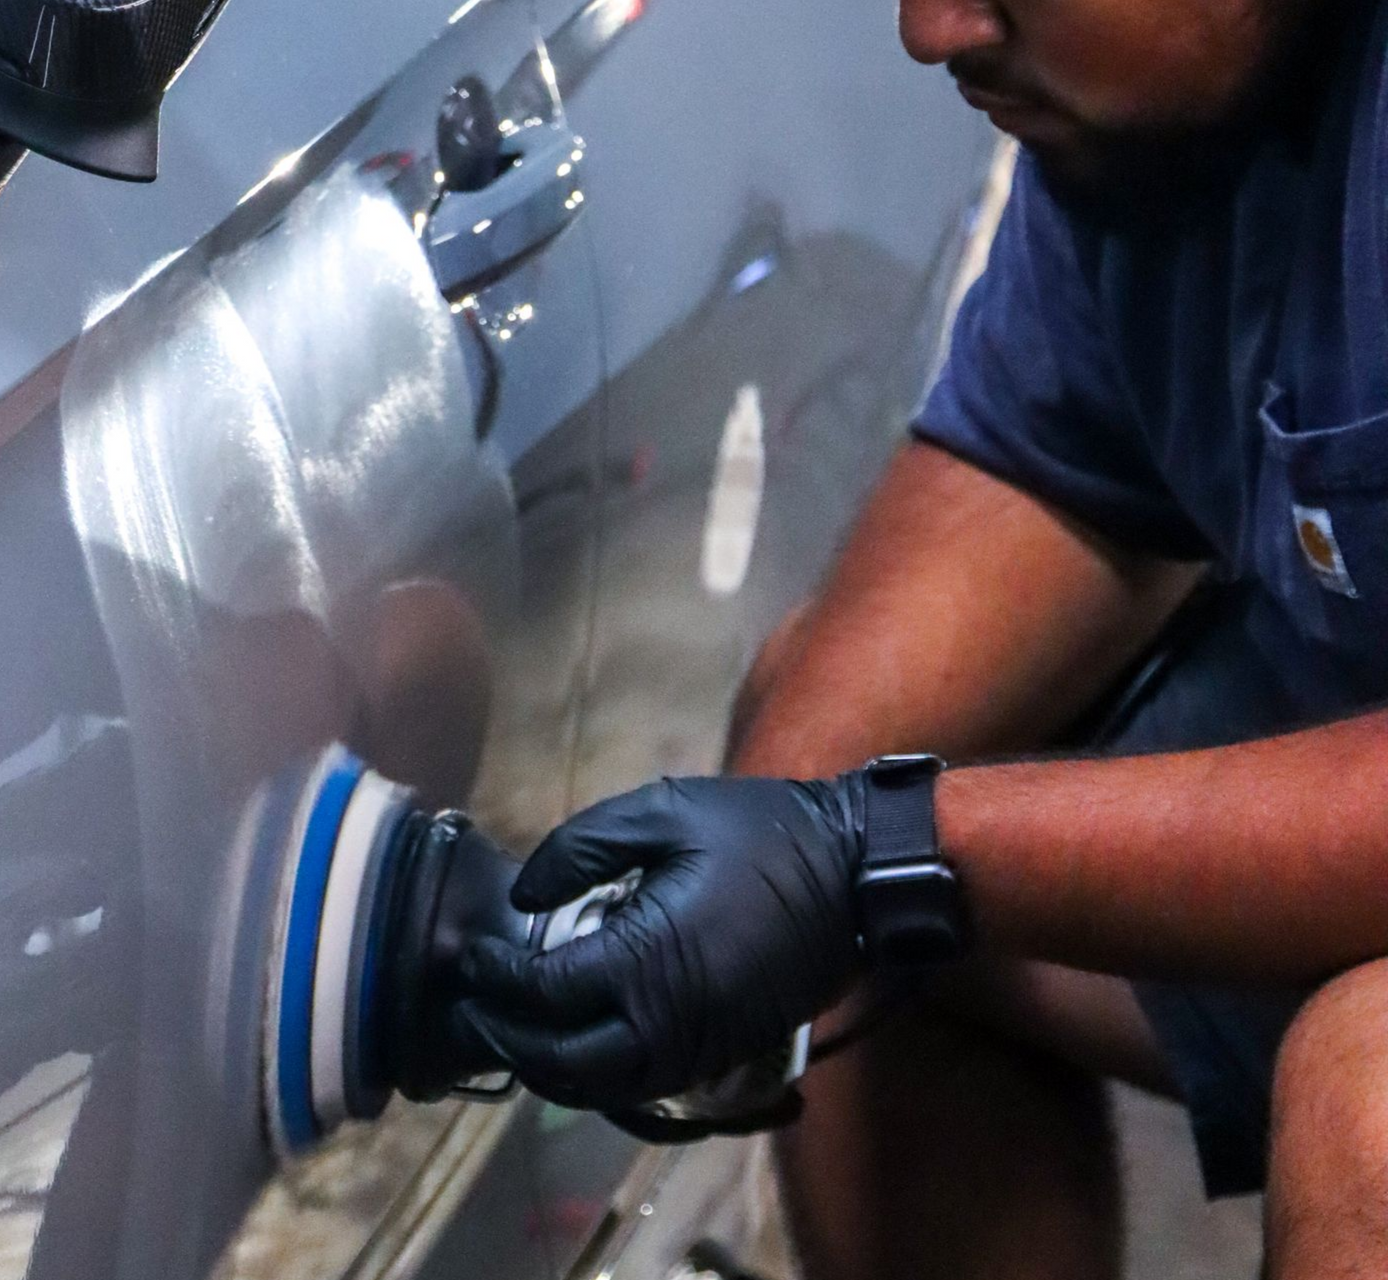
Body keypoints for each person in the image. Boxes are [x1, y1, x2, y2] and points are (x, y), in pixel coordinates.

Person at [452, 0, 1388, 1274]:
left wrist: (873, 849)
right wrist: (761, 885)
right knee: (852, 823)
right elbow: (1042, 469)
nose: (930, 28)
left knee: (1366, 1101)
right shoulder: (1155, 142)